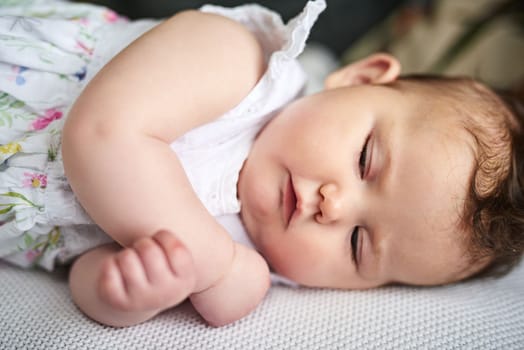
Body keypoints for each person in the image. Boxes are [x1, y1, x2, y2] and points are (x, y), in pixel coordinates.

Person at [0, 0, 522, 328]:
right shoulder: (238, 65)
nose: (333, 206)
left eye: (358, 243)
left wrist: (133, 293)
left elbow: (77, 264)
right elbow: (101, 134)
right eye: (365, 160)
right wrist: (213, 266)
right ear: (360, 80)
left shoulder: (251, 257)